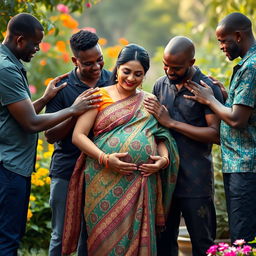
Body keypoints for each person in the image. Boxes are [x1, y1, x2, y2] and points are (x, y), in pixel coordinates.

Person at [62, 44, 179, 256]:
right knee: (103, 241)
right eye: (126, 71)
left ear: (144, 76)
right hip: (103, 178)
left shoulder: (149, 101)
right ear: (117, 68)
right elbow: (78, 136)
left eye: (138, 74)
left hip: (141, 181)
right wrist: (105, 158)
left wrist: (163, 159)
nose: (131, 78)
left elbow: (161, 136)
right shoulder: (98, 96)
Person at [0, 13, 101, 256]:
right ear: (20, 40)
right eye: (35, 44)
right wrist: (74, 109)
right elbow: (32, 124)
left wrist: (45, 99)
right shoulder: (5, 69)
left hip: (15, 167)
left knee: (10, 235)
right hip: (9, 167)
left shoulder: (10, 63)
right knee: (7, 239)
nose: (37, 49)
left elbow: (18, 115)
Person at [144, 36, 224, 256]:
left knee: (203, 243)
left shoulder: (205, 88)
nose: (169, 71)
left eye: (176, 68)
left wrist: (172, 123)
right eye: (166, 65)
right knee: (164, 242)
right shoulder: (160, 85)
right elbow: (152, 126)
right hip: (165, 178)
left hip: (195, 179)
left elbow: (215, 135)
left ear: (192, 62)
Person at [185, 12, 256, 244]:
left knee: (242, 238)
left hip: (245, 165)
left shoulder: (251, 67)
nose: (221, 47)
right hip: (241, 164)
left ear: (237, 36)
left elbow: (237, 119)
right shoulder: (248, 64)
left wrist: (209, 100)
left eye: (223, 40)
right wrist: (225, 98)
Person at [44, 29, 112, 256]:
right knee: (61, 235)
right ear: (75, 61)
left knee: (90, 235)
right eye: (88, 63)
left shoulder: (111, 80)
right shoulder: (62, 87)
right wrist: (75, 111)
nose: (96, 67)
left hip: (99, 170)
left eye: (99, 59)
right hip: (66, 170)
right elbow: (50, 135)